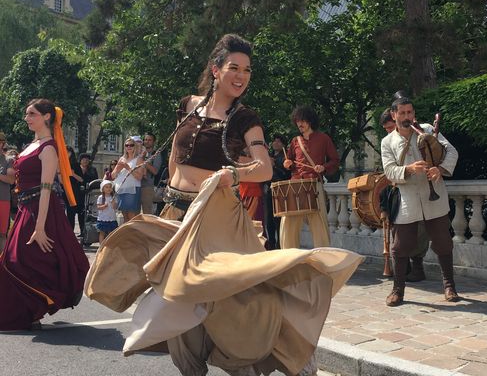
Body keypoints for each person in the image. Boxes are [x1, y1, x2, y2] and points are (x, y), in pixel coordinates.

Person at [84, 34, 361, 376]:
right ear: (216, 69)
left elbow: (264, 167)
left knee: (236, 298)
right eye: (234, 67)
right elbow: (175, 156)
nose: (241, 75)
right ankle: (193, 368)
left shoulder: (245, 118)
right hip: (177, 211)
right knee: (177, 298)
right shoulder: (188, 105)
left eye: (247, 69)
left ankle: (285, 350)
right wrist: (169, 193)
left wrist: (233, 172)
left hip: (216, 215)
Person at [0, 98, 89, 330]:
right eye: (27, 114)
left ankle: (37, 307)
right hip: (25, 208)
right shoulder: (31, 145)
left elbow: (47, 188)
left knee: (19, 260)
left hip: (41, 210)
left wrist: (40, 227)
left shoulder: (48, 147)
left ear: (47, 117)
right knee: (19, 260)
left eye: (32, 114)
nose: (27, 118)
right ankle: (31, 313)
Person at [380, 94, 459, 306]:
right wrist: (409, 169)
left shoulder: (426, 129)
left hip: (434, 195)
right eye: (402, 113)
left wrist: (439, 170)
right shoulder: (387, 141)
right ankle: (398, 290)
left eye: (410, 112)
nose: (407, 116)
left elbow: (452, 152)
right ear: (394, 115)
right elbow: (389, 171)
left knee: (443, 242)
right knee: (400, 246)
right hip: (407, 199)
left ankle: (449, 286)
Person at [280, 106, 340, 249]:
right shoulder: (295, 141)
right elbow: (289, 161)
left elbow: (335, 161)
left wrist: (323, 167)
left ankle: (323, 255)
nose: (299, 124)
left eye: (302, 121)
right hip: (295, 184)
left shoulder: (323, 138)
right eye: (297, 121)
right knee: (288, 222)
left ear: (310, 121)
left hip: (314, 184)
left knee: (319, 223)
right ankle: (288, 256)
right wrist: (287, 164)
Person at [380, 109, 429, 282]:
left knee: (420, 231)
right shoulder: (388, 141)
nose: (388, 131)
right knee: (399, 234)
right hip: (398, 191)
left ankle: (417, 267)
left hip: (419, 190)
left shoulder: (418, 133)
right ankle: (403, 270)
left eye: (389, 127)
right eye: (386, 128)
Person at [263, 134, 291, 250]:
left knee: (278, 218)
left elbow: (286, 174)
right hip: (268, 189)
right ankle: (271, 243)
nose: (276, 143)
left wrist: (274, 165)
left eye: (279, 141)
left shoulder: (285, 157)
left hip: (280, 190)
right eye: (274, 141)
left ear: (283, 144)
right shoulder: (268, 156)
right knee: (268, 218)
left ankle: (280, 244)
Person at [112, 137, 145, 222]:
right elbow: (113, 176)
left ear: (135, 147)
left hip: (132, 189)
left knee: (132, 216)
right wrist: (117, 169)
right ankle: (127, 234)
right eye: (127, 145)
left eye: (131, 145)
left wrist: (128, 168)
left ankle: (133, 234)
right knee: (124, 215)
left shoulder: (139, 159)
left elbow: (139, 177)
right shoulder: (122, 158)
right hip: (121, 189)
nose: (129, 147)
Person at [0, 132, 16, 252]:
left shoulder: (8, 160)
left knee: (2, 234)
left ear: (2, 144)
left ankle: (3, 263)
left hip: (2, 200)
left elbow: (11, 180)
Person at [140, 133, 162, 215]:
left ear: (153, 142)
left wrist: (143, 160)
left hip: (147, 187)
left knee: (147, 214)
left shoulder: (156, 154)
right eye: (145, 139)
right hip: (136, 186)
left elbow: (155, 171)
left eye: (149, 140)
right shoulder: (138, 152)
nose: (147, 142)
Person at [64, 146, 84, 231]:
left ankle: (70, 232)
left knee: (71, 213)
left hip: (72, 190)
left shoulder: (75, 165)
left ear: (71, 153)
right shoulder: (59, 162)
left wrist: (73, 174)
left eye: (68, 152)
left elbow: (81, 179)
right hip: (61, 189)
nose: (66, 154)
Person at [96, 179, 118, 244]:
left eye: (110, 187)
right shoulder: (101, 197)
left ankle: (109, 245)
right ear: (103, 189)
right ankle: (101, 246)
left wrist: (114, 203)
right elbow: (98, 207)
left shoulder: (113, 197)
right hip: (103, 218)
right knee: (102, 233)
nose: (108, 189)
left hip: (111, 218)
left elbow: (115, 208)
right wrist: (104, 206)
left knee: (110, 233)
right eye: (106, 187)